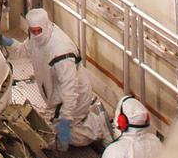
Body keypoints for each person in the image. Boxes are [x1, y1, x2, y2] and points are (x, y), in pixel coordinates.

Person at [6, 8, 110, 148]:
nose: (36, 35)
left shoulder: (61, 50)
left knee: (56, 139)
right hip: (55, 95)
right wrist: (8, 42)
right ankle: (87, 119)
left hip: (74, 97)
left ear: (46, 25)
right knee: (47, 131)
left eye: (38, 31)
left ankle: (99, 127)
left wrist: (66, 120)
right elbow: (25, 50)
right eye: (32, 31)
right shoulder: (36, 37)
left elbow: (70, 90)